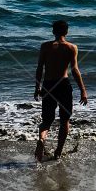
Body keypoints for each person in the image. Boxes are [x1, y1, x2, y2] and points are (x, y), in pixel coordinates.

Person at [34, 19, 87, 161]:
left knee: (46, 121)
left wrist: (37, 88)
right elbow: (75, 70)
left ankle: (42, 139)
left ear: (53, 31)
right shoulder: (71, 47)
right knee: (65, 121)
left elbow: (40, 68)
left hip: (48, 85)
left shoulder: (45, 46)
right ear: (67, 32)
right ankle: (58, 151)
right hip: (63, 84)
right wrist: (83, 90)